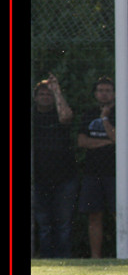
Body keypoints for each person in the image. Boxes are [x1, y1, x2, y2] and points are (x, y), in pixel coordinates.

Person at [32, 74, 77, 258]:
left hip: (64, 178)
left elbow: (66, 117)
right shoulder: (33, 116)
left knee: (63, 224)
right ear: (35, 97)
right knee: (44, 224)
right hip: (39, 178)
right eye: (42, 94)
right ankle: (46, 261)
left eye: (48, 94)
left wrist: (57, 91)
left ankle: (64, 260)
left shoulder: (59, 112)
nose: (45, 97)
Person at [77, 75, 117, 258]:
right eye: (101, 90)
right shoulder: (88, 114)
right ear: (95, 94)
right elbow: (82, 141)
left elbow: (118, 139)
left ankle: (123, 255)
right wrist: (107, 142)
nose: (104, 94)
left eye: (108, 91)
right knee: (94, 216)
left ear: (114, 94)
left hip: (115, 174)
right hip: (92, 173)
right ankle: (95, 258)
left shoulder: (120, 113)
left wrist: (105, 120)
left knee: (119, 214)